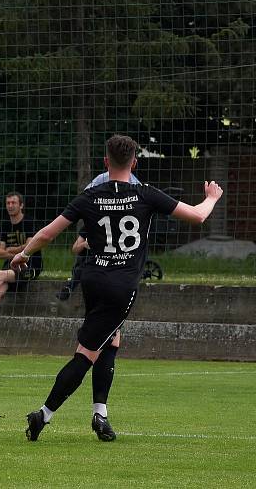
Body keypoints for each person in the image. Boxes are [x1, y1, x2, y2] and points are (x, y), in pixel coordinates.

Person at [12, 135, 223, 442]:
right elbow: (198, 215)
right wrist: (213, 197)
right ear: (134, 163)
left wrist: (23, 253)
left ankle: (101, 415)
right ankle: (42, 415)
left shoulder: (91, 195)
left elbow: (47, 233)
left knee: (110, 341)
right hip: (121, 285)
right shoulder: (145, 194)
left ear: (105, 162)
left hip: (93, 279)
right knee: (85, 354)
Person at [57, 173, 142, 301]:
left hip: (114, 261)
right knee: (83, 261)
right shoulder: (89, 226)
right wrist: (85, 244)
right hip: (93, 262)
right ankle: (70, 287)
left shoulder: (121, 225)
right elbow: (75, 249)